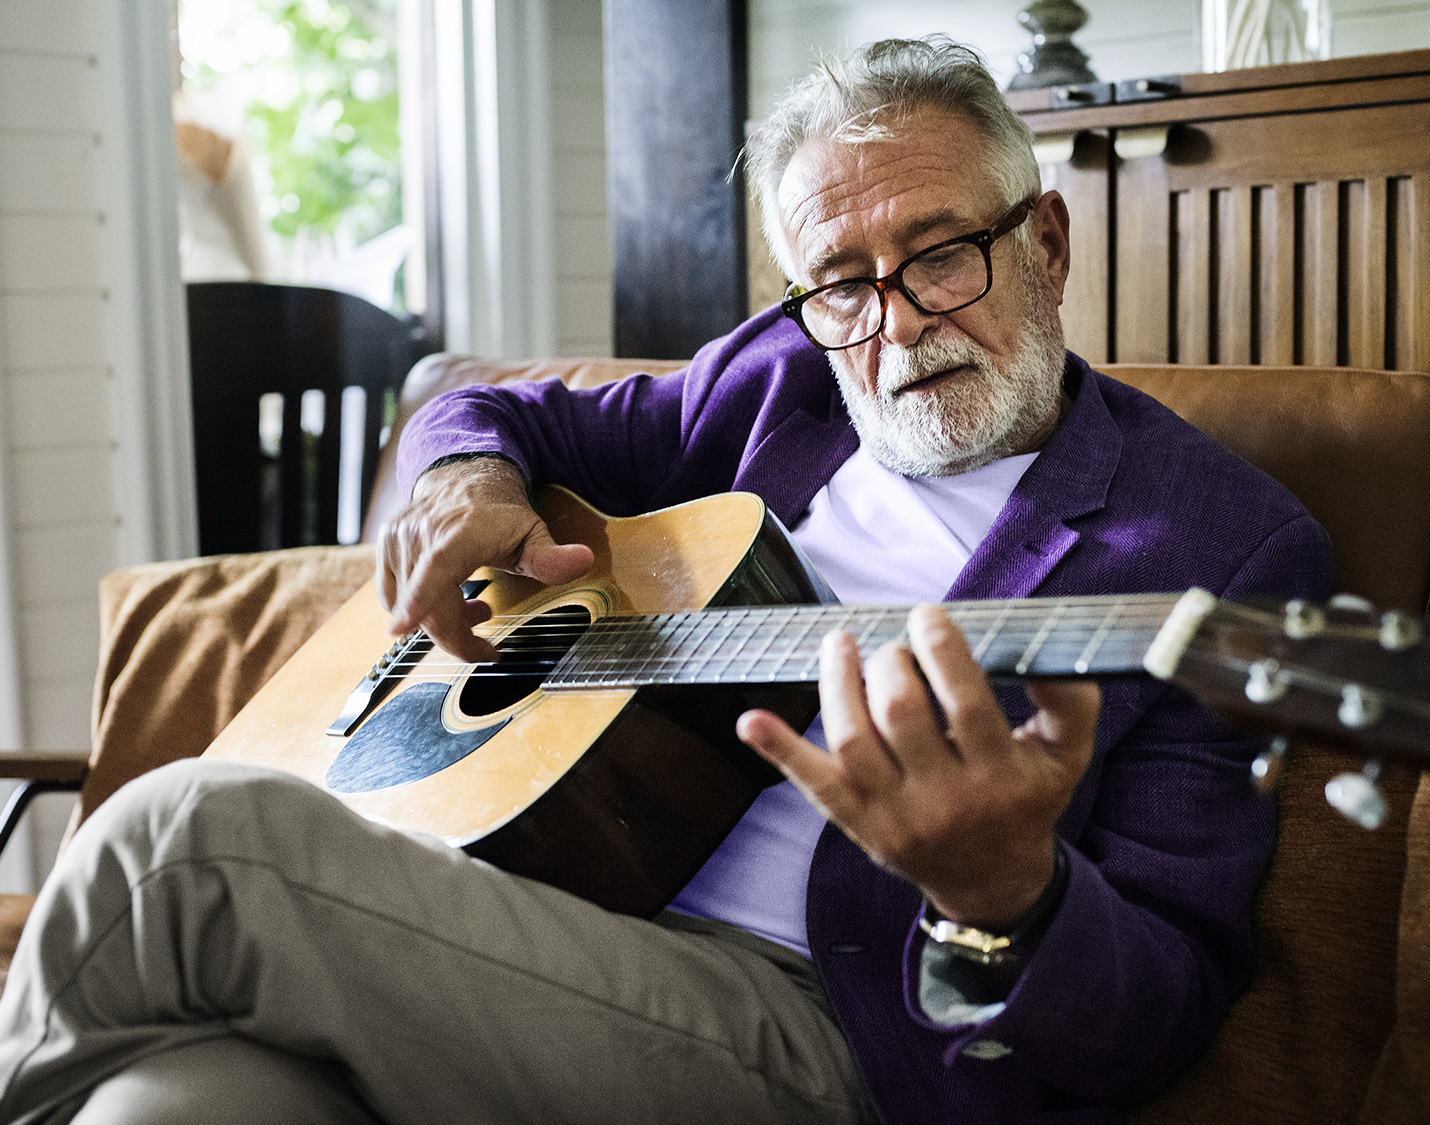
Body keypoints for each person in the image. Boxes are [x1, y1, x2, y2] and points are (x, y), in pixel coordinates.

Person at [0, 37, 1330, 1125]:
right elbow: (498, 412)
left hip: (820, 1024)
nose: (896, 322)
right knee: (169, 1105)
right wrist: (464, 481)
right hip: (526, 908)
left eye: (939, 254)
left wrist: (1009, 893)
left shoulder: (1218, 547)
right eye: (842, 284)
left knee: (193, 837)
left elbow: (1163, 1001)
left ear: (1044, 241)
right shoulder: (781, 385)